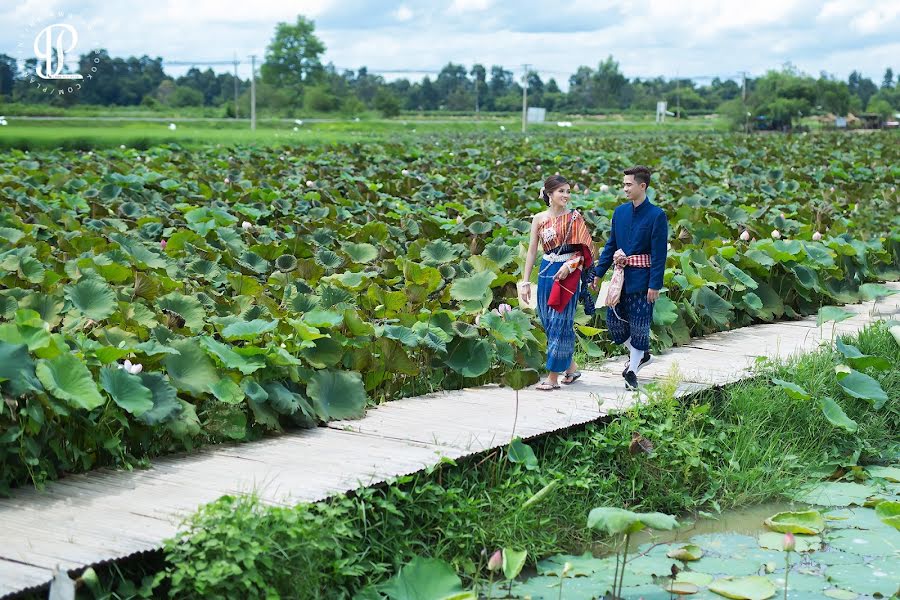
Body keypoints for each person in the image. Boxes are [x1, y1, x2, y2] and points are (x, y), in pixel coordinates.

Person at [591, 166, 668, 390]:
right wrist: (598, 272)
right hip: (619, 279)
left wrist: (655, 284)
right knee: (613, 323)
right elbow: (611, 246)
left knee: (639, 325)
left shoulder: (657, 215)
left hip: (643, 281)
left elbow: (659, 254)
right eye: (623, 184)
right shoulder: (620, 213)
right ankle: (642, 355)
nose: (624, 188)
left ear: (642, 186)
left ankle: (632, 370)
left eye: (628, 184)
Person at [520, 175, 595, 391]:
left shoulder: (574, 218)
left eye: (568, 191)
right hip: (545, 273)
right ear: (549, 194)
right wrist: (525, 282)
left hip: (568, 274)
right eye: (561, 191)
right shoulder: (539, 218)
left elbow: (586, 251)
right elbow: (532, 250)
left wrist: (569, 266)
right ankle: (571, 368)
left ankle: (552, 378)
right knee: (547, 321)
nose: (566, 195)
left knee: (560, 323)